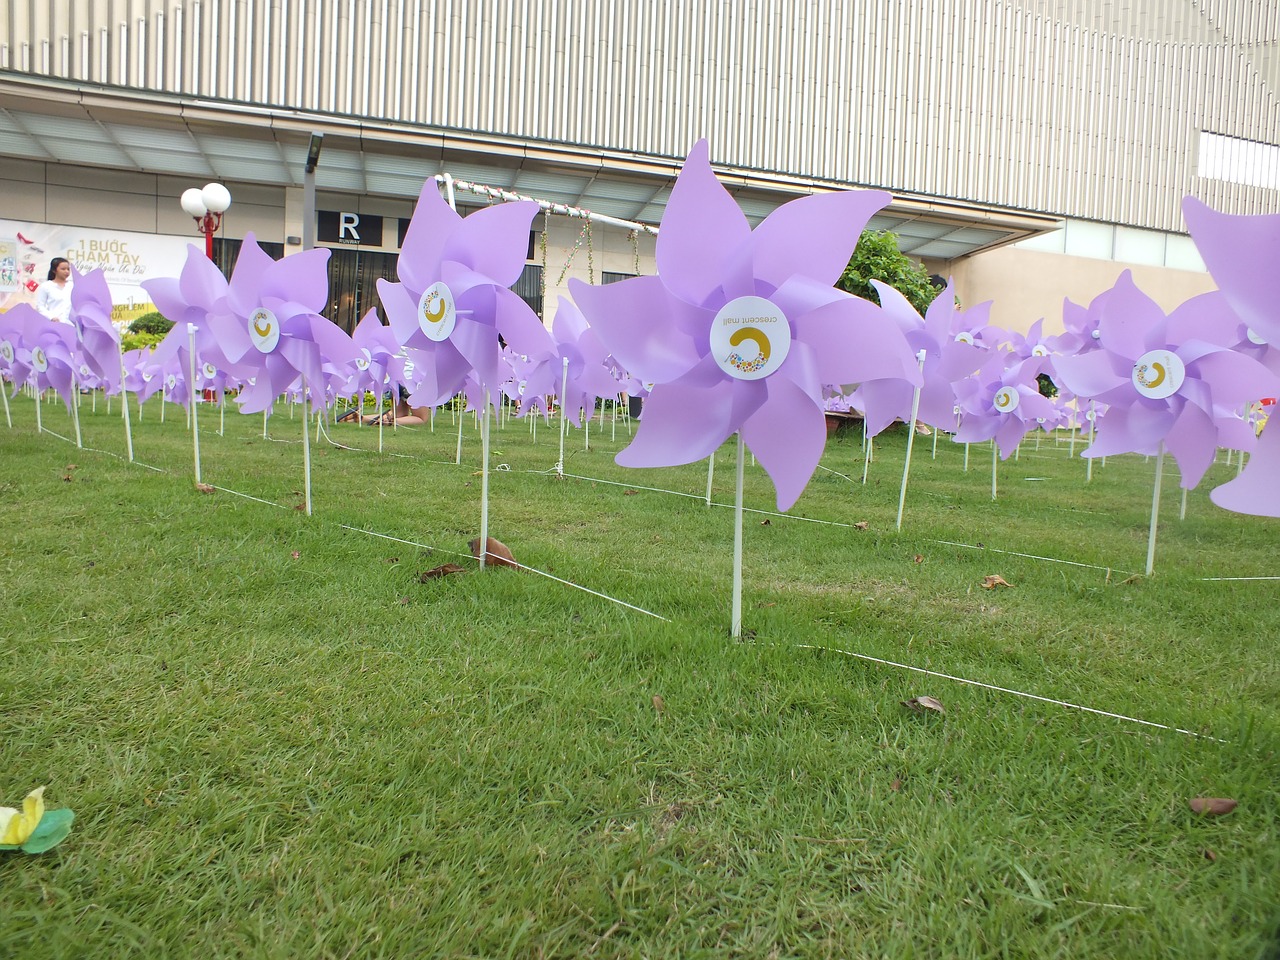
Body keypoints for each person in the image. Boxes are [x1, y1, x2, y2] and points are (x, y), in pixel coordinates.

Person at [35, 257, 73, 323]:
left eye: (68, 269)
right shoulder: (46, 286)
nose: (66, 271)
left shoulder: (72, 285)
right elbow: (40, 306)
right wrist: (51, 317)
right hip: (53, 324)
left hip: (70, 325)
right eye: (63, 269)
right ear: (54, 270)